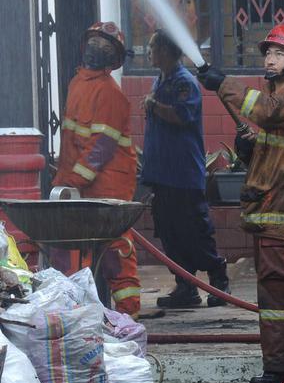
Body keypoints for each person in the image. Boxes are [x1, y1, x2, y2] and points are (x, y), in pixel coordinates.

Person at [196, 26, 284, 383]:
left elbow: (268, 112)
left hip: (282, 208)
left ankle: (282, 367)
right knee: (282, 281)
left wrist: (223, 83)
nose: (269, 59)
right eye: (268, 53)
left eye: (279, 54)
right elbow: (273, 149)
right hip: (273, 206)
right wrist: (249, 147)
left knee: (275, 289)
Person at [51, 22, 145, 318]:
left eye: (106, 47)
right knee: (72, 251)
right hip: (80, 187)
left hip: (108, 190)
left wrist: (73, 181)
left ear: (113, 58)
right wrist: (66, 181)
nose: (98, 50)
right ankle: (78, 317)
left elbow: (102, 146)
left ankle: (128, 317)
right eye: (95, 42)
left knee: (116, 253)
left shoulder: (110, 93)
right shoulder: (77, 84)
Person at [141, 29, 230, 309]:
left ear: (166, 50)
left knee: (194, 231)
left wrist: (153, 105)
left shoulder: (184, 82)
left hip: (182, 176)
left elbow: (181, 115)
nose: (149, 52)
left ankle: (218, 281)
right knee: (169, 233)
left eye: (153, 47)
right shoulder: (161, 80)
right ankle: (186, 287)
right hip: (162, 175)